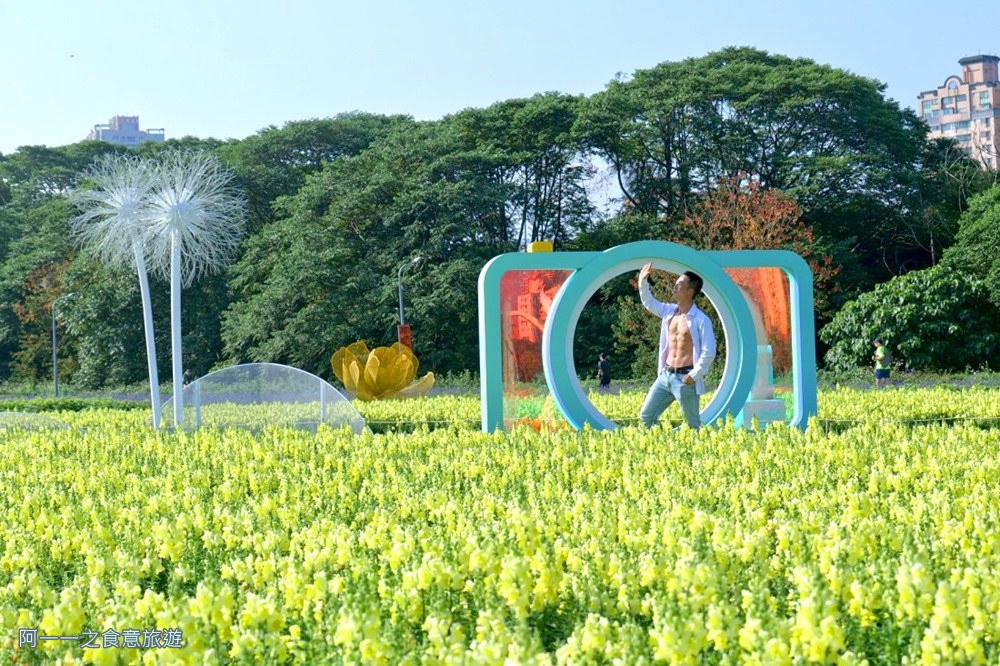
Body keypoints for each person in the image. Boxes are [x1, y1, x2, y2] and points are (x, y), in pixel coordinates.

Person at [637, 263, 716, 429]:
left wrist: (695, 374)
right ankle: (663, 450)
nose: (675, 286)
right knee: (646, 417)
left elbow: (709, 352)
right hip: (665, 375)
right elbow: (648, 302)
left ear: (690, 291)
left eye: (680, 284)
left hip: (686, 378)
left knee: (692, 425)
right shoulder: (668, 312)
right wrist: (643, 281)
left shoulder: (701, 320)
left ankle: (695, 453)